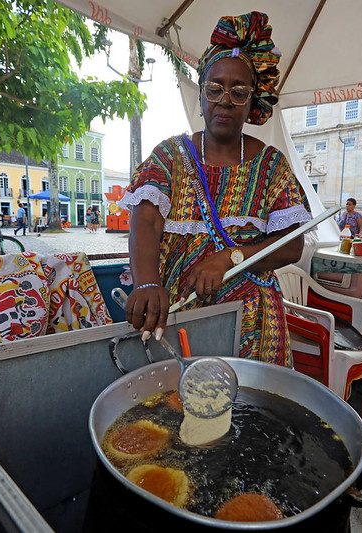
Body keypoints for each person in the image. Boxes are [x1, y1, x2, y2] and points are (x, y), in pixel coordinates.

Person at [118, 11, 311, 367]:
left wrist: (231, 256)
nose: (225, 100)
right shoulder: (169, 156)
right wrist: (146, 284)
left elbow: (292, 244)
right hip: (178, 320)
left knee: (251, 412)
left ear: (254, 102)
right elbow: (145, 222)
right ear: (202, 94)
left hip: (254, 323)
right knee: (177, 411)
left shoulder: (271, 165)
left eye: (239, 92)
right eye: (215, 88)